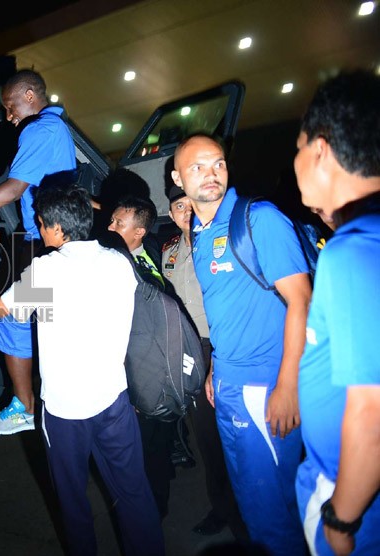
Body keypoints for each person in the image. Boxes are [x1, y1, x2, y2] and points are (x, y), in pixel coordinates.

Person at [0, 183, 164, 556]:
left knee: (72, 502)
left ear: (55, 228)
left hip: (66, 411)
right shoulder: (119, 262)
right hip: (114, 400)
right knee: (133, 492)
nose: (38, 225)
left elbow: (4, 310)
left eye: (40, 221)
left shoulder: (48, 268)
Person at [171, 133, 311, 555]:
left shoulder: (258, 218)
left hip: (264, 386)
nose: (211, 174)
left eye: (217, 163)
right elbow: (223, 311)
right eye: (197, 167)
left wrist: (287, 386)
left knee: (274, 512)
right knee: (252, 502)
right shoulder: (200, 231)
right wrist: (216, 368)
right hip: (229, 386)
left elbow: (301, 300)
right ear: (178, 178)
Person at [292, 69, 380, 556]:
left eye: (298, 146)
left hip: (354, 497)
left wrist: (341, 522)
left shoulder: (355, 250)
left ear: (320, 150)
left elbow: (373, 416)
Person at [0, 69, 76, 435]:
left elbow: (15, 189)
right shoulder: (57, 129)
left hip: (47, 246)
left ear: (30, 95)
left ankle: (24, 407)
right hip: (56, 242)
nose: (8, 115)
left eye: (10, 105)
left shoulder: (38, 130)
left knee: (10, 316)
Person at [161, 187, 247, 539]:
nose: (185, 211)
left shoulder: (222, 243)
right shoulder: (168, 251)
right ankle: (223, 509)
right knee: (208, 439)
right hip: (187, 350)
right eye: (178, 205)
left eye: (189, 203)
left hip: (223, 347)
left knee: (238, 437)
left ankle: (248, 511)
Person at [107, 194, 177, 519]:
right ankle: (154, 500)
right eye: (111, 220)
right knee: (149, 445)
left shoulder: (142, 262)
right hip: (146, 373)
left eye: (118, 223)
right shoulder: (127, 260)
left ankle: (154, 506)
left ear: (138, 232)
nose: (109, 227)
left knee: (150, 446)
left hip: (154, 373)